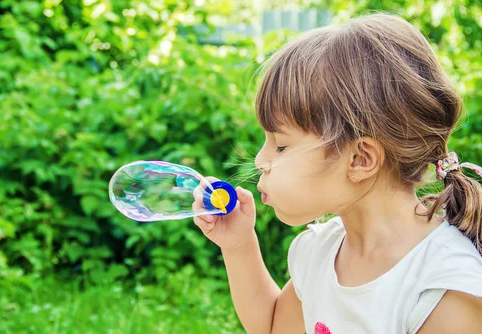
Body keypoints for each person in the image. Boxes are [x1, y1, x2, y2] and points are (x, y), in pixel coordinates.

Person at [192, 13, 482, 334]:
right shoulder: (323, 250)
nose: (261, 160)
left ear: (360, 159)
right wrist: (238, 245)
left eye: (281, 146)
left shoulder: (443, 289)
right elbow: (274, 328)